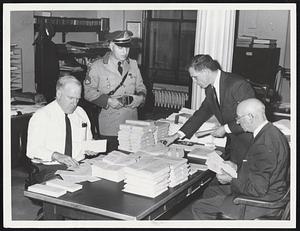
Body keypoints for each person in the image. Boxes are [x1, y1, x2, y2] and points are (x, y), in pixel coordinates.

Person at [186, 98, 290, 219]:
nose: (238, 122)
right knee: (210, 192)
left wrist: (231, 178)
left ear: (250, 117)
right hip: (272, 190)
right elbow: (259, 168)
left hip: (263, 202)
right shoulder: (270, 131)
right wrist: (237, 168)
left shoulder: (264, 143)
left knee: (199, 207)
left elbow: (257, 189)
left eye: (239, 118)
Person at [162, 54, 255, 167]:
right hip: (235, 142)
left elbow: (251, 118)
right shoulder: (211, 89)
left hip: (250, 143)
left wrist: (225, 129)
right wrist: (176, 135)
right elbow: (202, 113)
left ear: (206, 71)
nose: (194, 82)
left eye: (195, 77)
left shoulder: (237, 84)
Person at [83, 30, 147, 152]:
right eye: (120, 48)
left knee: (131, 160)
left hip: (131, 123)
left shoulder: (133, 64)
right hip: (110, 124)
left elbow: (141, 87)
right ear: (111, 46)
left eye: (127, 48)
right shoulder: (97, 66)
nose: (125, 52)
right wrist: (107, 100)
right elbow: (88, 92)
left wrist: (140, 97)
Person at [26, 75, 97, 183]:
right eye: (71, 98)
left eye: (77, 99)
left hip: (78, 164)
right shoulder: (42, 116)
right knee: (68, 187)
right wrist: (56, 155)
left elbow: (89, 140)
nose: (75, 103)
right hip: (50, 168)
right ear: (59, 94)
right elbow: (32, 150)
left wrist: (92, 147)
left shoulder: (81, 113)